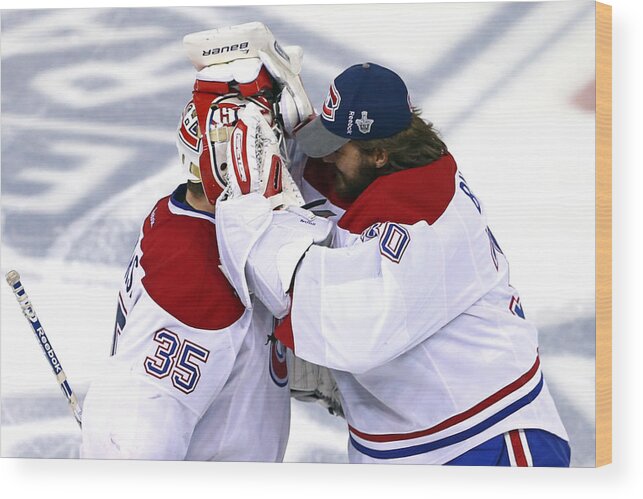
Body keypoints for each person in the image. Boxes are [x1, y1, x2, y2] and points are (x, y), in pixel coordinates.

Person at [215, 62, 571, 466]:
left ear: (380, 154)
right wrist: (272, 124)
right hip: (415, 439)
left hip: (487, 440)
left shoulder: (423, 220)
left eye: (337, 148)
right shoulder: (391, 175)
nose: (327, 158)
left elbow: (348, 325)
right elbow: (328, 187)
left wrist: (247, 209)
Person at [80, 23, 315, 460]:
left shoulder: (194, 218)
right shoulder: (197, 281)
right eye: (266, 144)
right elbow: (130, 448)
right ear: (232, 160)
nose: (279, 158)